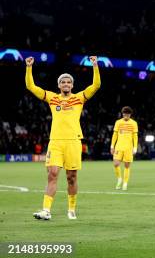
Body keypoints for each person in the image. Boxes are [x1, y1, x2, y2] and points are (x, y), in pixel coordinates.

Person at [28, 55, 101, 221]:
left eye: (68, 82)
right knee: (52, 174)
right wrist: (29, 67)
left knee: (72, 177)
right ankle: (46, 210)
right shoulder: (52, 98)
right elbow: (31, 86)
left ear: (72, 85)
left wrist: (95, 65)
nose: (66, 84)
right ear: (58, 85)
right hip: (56, 142)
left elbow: (96, 85)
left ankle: (72, 209)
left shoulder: (79, 98)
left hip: (73, 142)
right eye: (63, 82)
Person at [110, 106, 138, 190]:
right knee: (116, 164)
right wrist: (112, 146)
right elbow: (115, 135)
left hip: (129, 148)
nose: (126, 115)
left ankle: (125, 183)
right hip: (119, 146)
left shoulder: (134, 123)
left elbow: (135, 136)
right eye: (125, 114)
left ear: (130, 114)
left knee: (126, 166)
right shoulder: (118, 122)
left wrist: (135, 147)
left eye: (128, 114)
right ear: (122, 114)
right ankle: (119, 179)